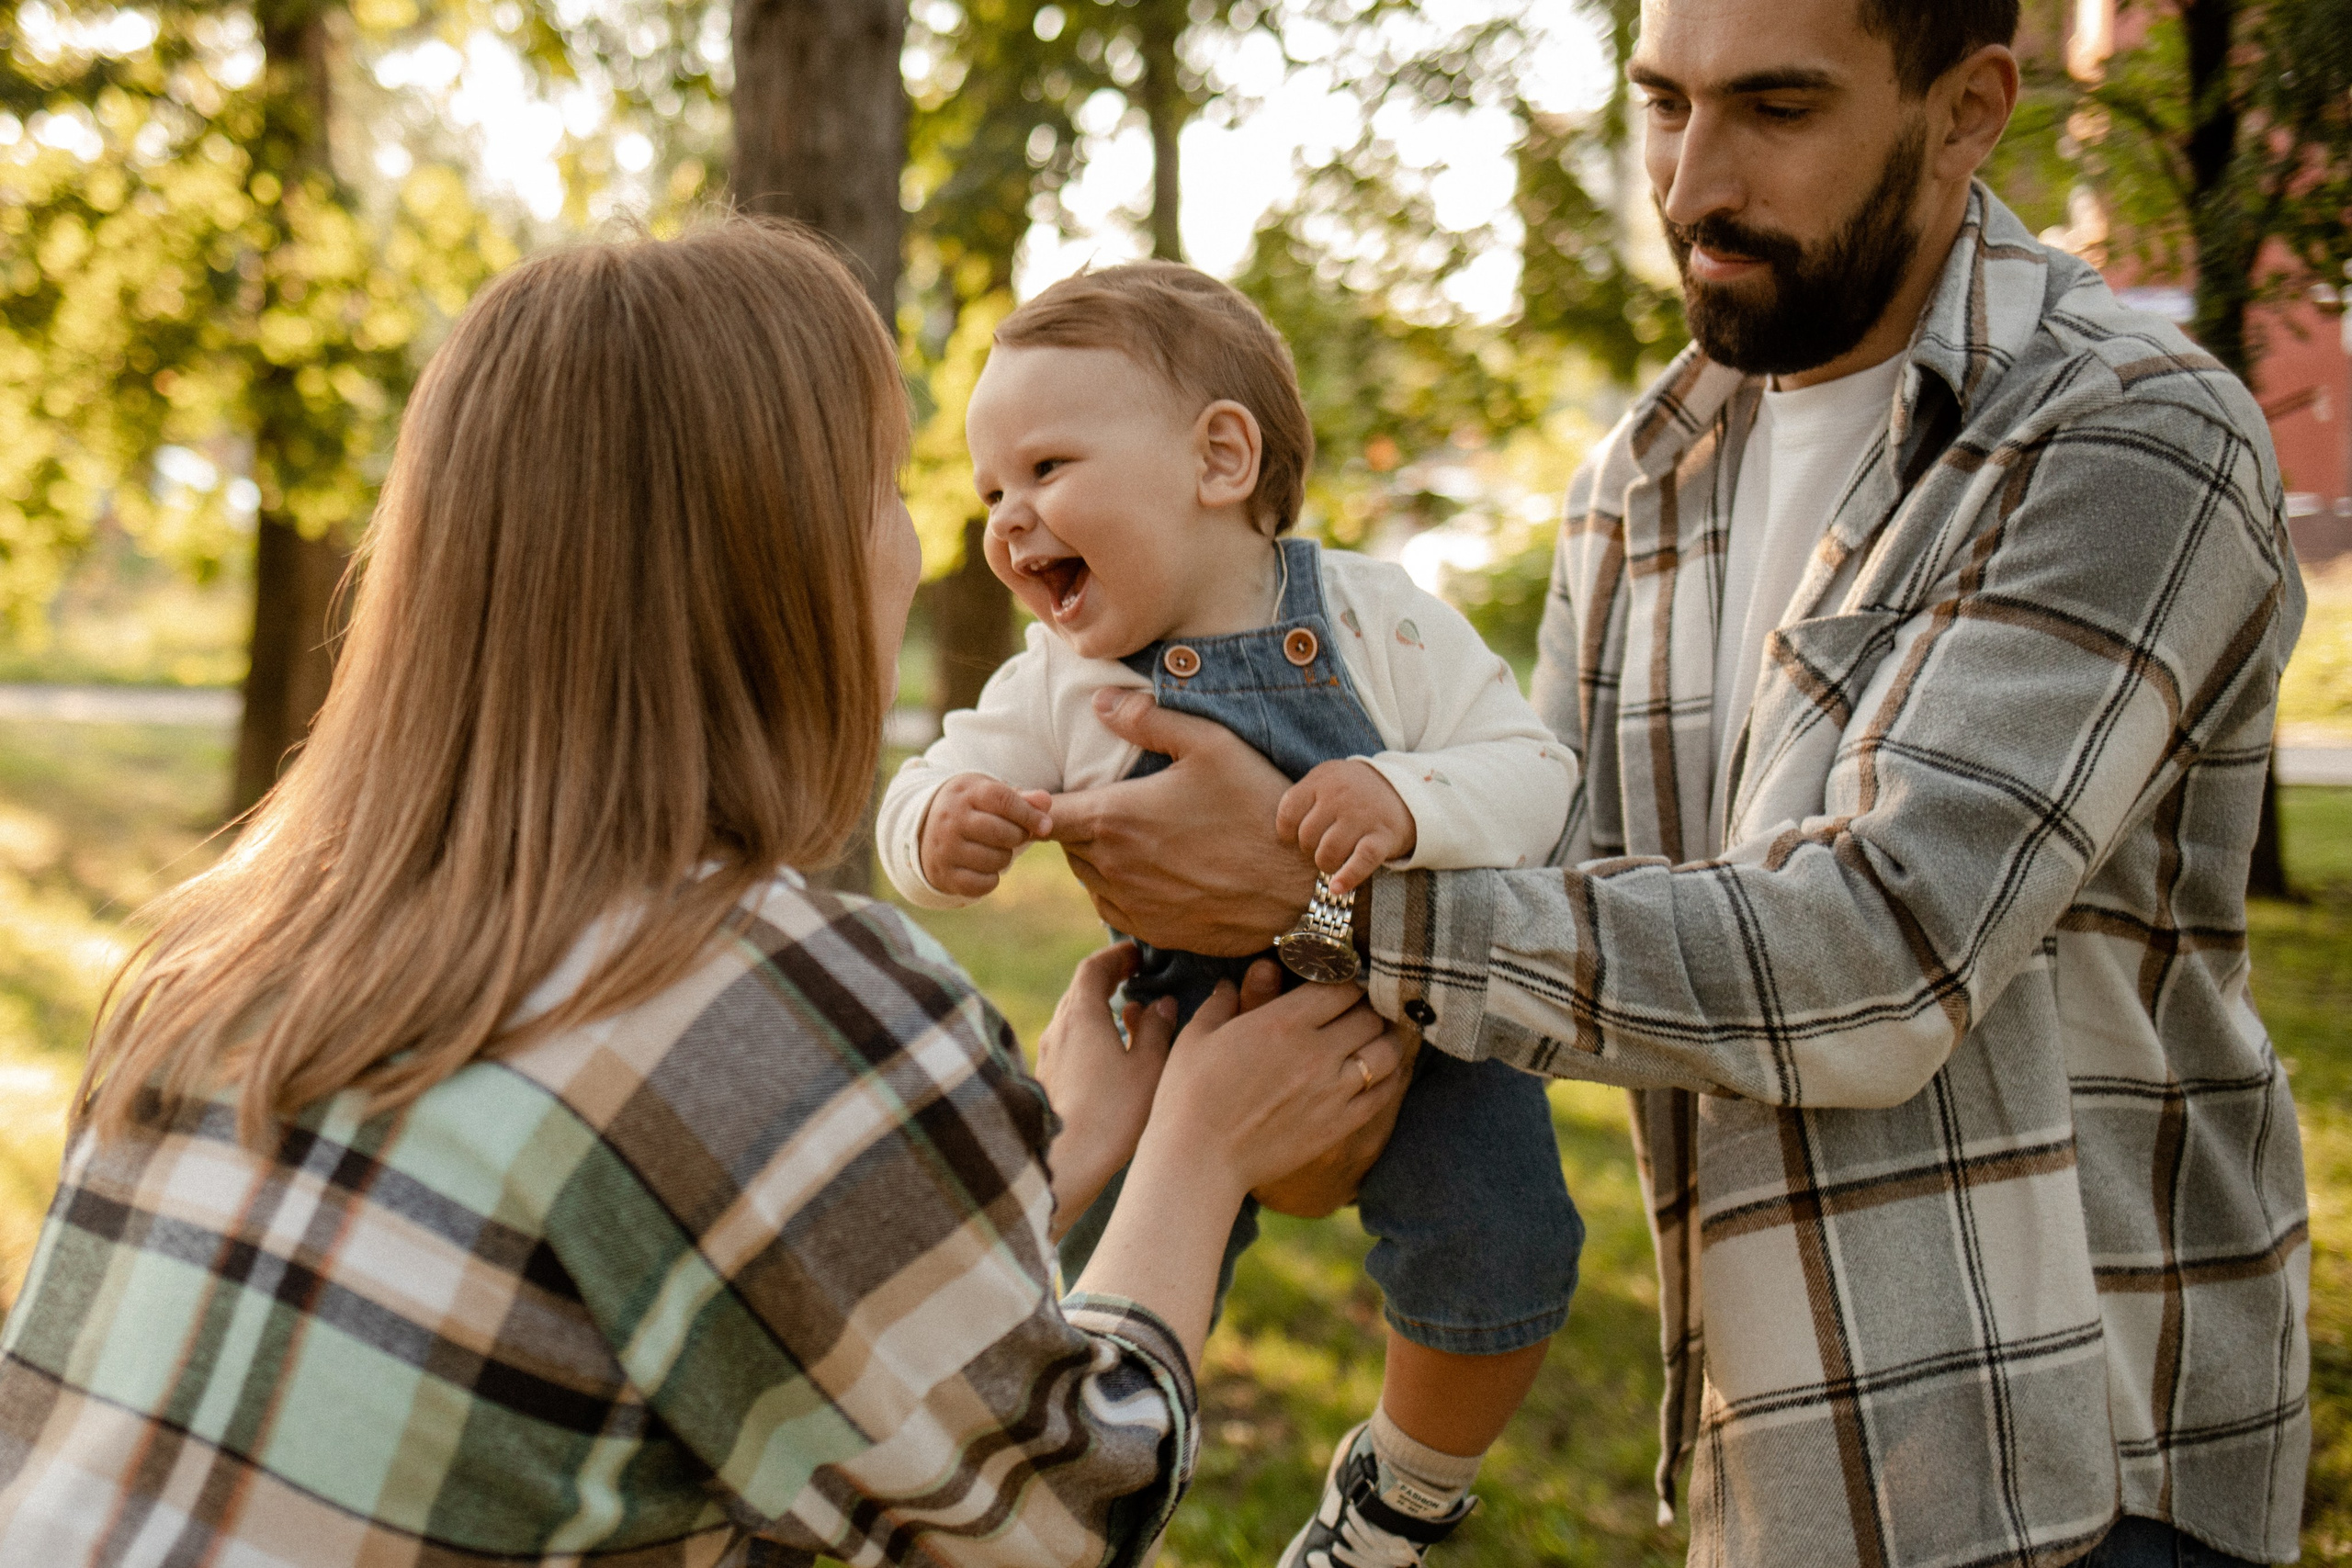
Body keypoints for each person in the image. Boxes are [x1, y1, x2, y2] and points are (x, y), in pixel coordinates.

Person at [1032, 1, 2312, 1564]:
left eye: (1777, 109)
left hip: (2072, 1480)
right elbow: (1567, 950)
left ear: (1969, 111)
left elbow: (1882, 954)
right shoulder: (1639, 483)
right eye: (1661, 105)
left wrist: (1324, 906)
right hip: (1768, 1473)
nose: (1694, 180)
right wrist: (1243, 1047)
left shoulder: (2127, 434)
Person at [0, 220, 1407, 1567]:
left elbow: (705, 1295)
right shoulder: (759, 998)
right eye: (888, 495)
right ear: (772, 564)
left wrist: (1068, 1156)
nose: (927, 555)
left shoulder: (211, 960)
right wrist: (1196, 1155)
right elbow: (1058, 1520)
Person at [876, 262, 1586, 1566]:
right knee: (1063, 1271)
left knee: (1504, 1245)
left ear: (1217, 457)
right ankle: (1068, 1495)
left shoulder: (1378, 621)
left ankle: (1399, 1505)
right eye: (990, 492)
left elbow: (1534, 772)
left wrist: (1402, 795)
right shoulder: (1057, 679)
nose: (1007, 519)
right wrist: (937, 823)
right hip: (1170, 1029)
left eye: (1044, 468)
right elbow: (924, 778)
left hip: (1412, 1019)